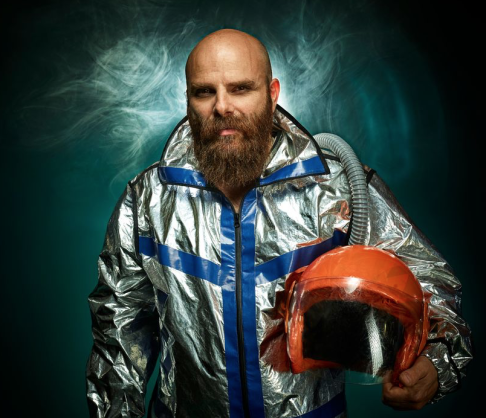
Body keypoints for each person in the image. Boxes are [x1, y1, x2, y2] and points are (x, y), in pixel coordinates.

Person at [86, 29, 472, 417]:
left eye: (240, 88)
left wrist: (436, 366)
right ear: (188, 99)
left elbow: (433, 287)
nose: (222, 106)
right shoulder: (148, 199)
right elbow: (119, 335)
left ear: (272, 94)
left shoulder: (336, 188)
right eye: (204, 92)